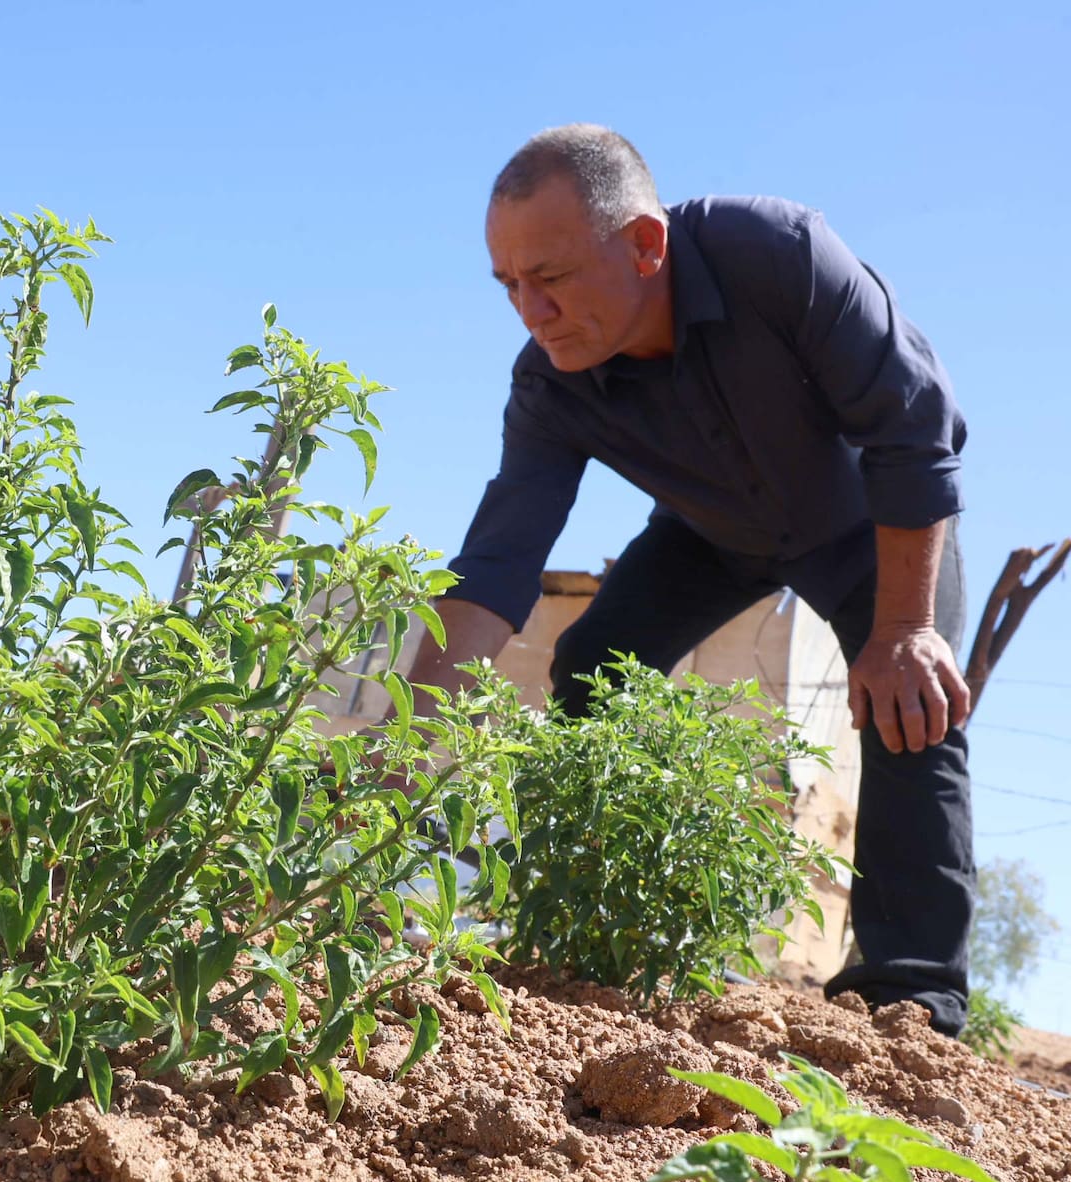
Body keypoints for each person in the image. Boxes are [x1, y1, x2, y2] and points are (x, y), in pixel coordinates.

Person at [407, 123, 974, 1037]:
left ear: (644, 245)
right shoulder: (550, 384)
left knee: (911, 698)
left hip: (871, 522)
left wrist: (905, 626)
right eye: (509, 286)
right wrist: (400, 739)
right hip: (713, 535)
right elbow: (495, 566)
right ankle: (602, 927)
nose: (529, 312)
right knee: (593, 665)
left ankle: (907, 1001)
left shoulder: (778, 254)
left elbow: (914, 427)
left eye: (549, 278)